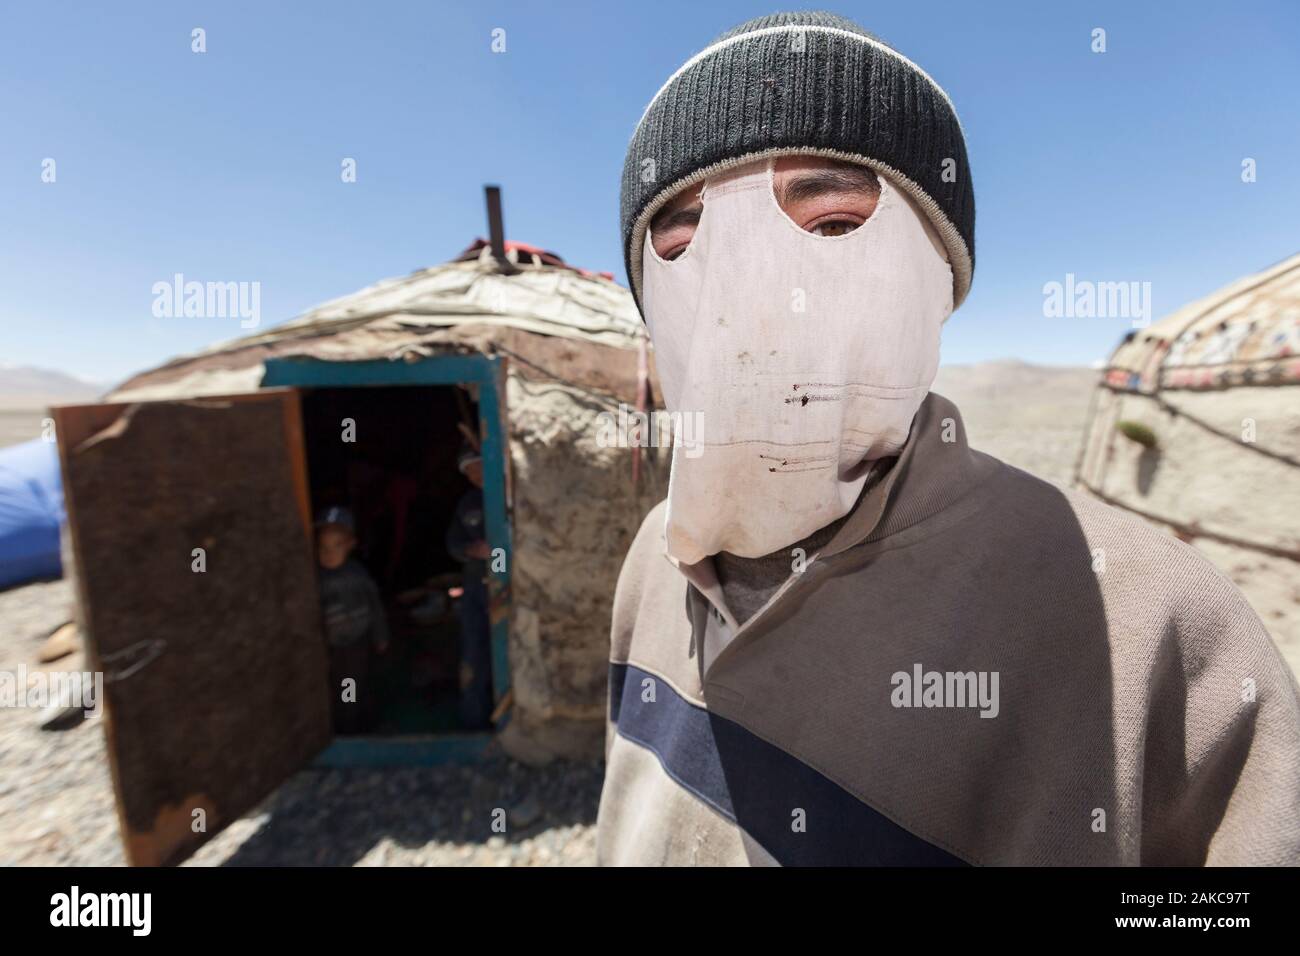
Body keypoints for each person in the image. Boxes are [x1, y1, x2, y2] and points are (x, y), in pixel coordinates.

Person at [597, 11, 1300, 866]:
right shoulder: (647, 562)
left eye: (832, 226)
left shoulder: (1155, 626)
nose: (753, 307)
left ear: (943, 273)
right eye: (679, 245)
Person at [316, 506, 389, 734]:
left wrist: (381, 635)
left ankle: (352, 725)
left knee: (352, 682)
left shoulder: (358, 575)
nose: (328, 554)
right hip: (331, 642)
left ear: (350, 545)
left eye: (336, 546)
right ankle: (346, 720)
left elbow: (375, 607)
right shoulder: (315, 577)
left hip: (357, 639)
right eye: (323, 547)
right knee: (335, 682)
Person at [445, 445, 494, 729]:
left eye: (479, 466)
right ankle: (474, 719)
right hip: (475, 584)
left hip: (503, 583)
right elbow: (453, 542)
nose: (476, 475)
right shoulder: (468, 504)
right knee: (474, 648)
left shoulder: (510, 496)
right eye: (469, 472)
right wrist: (469, 550)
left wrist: (498, 560)